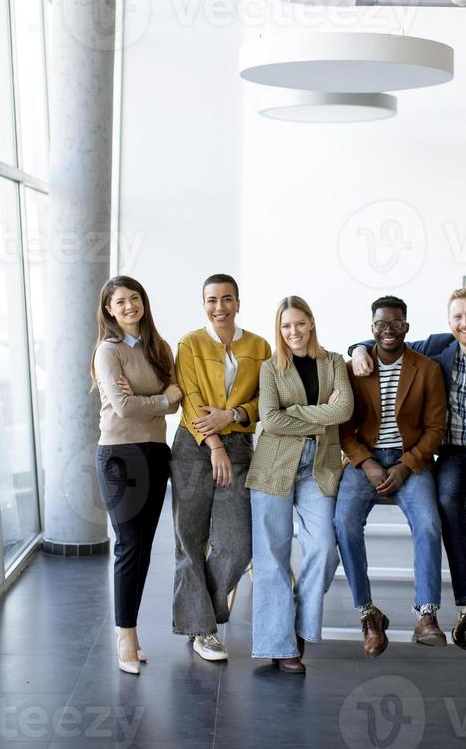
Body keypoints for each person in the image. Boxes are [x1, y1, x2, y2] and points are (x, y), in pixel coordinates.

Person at [350, 287, 466, 648]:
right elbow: (386, 336)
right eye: (458, 317)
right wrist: (357, 350)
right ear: (450, 322)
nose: (465, 322)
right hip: (453, 453)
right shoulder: (438, 348)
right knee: (448, 503)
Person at [246, 296, 354, 674]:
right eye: (286, 326)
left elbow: (345, 410)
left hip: (319, 467)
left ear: (311, 322)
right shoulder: (269, 368)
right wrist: (322, 417)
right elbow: (271, 422)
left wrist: (295, 414)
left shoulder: (335, 362)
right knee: (271, 558)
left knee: (324, 548)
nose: (293, 332)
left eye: (300, 323)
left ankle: (298, 626)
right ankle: (281, 645)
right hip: (274, 467)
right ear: (280, 328)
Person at [335, 296, 447, 657]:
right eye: (382, 324)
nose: (389, 330)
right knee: (344, 522)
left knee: (429, 524)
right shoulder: (354, 368)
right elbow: (343, 426)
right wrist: (366, 463)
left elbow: (435, 428)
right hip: (364, 460)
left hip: (410, 462)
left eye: (396, 323)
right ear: (371, 329)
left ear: (407, 327)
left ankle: (426, 616)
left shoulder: (427, 369)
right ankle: (368, 615)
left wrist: (406, 465)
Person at [170, 274, 271, 662]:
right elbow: (191, 398)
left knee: (236, 543)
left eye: (227, 299)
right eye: (212, 300)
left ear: (238, 302)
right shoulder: (190, 343)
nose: (220, 307)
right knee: (189, 539)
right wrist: (214, 444)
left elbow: (268, 397)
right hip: (193, 446)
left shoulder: (259, 346)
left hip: (240, 445)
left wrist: (234, 414)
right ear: (204, 305)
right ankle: (202, 631)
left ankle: (201, 614)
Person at [92, 276, 182, 674]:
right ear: (109, 309)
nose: (129, 306)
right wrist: (161, 398)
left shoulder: (158, 348)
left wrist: (154, 401)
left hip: (155, 453)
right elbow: (126, 409)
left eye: (134, 298)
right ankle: (124, 634)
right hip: (119, 456)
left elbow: (176, 399)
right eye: (120, 302)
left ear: (143, 302)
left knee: (143, 547)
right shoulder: (108, 352)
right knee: (128, 545)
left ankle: (131, 628)